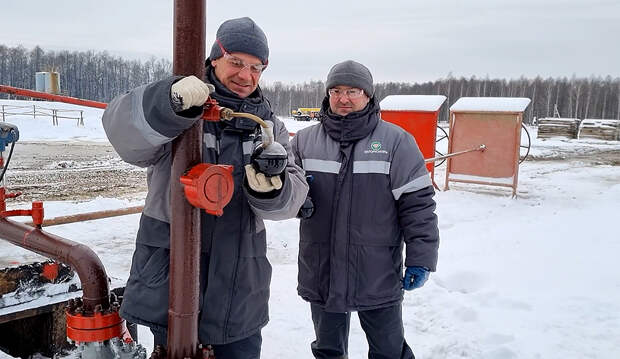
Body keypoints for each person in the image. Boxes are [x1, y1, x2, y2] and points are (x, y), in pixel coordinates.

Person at [102, 17, 308, 358]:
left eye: (256, 67)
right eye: (237, 63)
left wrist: (272, 190)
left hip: (239, 290)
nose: (246, 75)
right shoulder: (178, 102)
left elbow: (292, 197)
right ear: (215, 57)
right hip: (171, 277)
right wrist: (167, 106)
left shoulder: (268, 126)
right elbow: (123, 136)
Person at [291, 60, 439, 359]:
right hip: (322, 267)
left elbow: (418, 205)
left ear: (368, 95)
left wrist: (421, 257)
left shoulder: (396, 142)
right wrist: (296, 198)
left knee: (389, 350)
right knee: (328, 349)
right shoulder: (305, 141)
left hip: (377, 270)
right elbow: (287, 195)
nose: (343, 98)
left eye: (353, 90)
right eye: (336, 90)